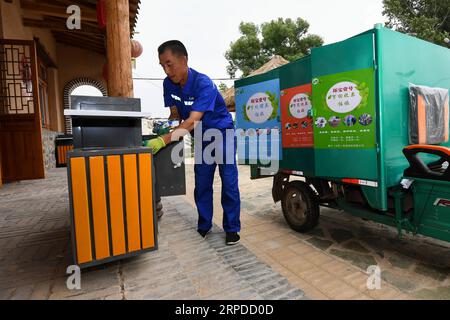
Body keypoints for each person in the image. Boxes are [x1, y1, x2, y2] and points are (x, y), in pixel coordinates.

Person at [146, 40, 241, 245]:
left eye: (169, 64)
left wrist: (163, 140)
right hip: (200, 137)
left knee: (229, 181)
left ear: (184, 60)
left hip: (221, 133)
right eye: (162, 65)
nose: (166, 70)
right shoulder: (167, 84)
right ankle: (204, 225)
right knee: (202, 183)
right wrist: (167, 129)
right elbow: (175, 114)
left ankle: (232, 228)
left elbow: (191, 120)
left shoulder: (203, 83)